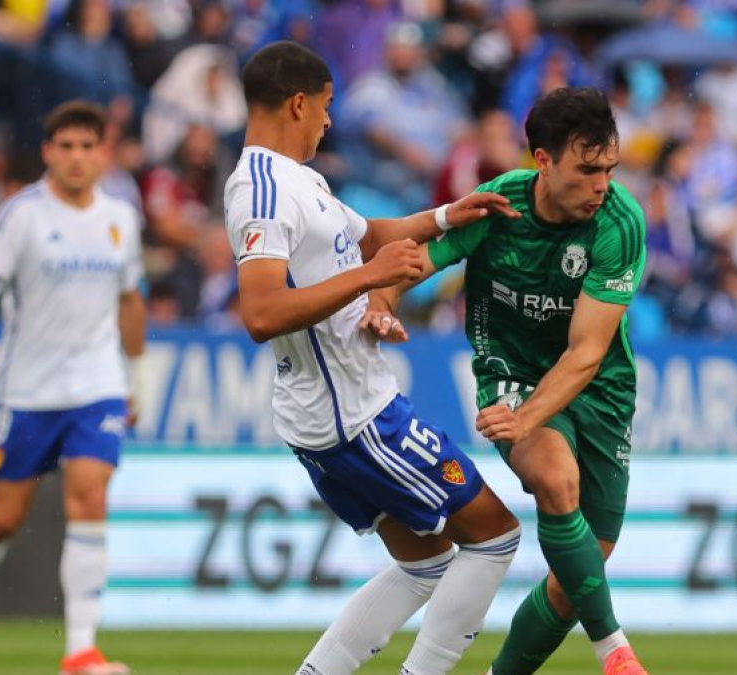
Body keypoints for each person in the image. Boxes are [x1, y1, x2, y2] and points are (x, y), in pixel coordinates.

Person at [224, 41, 522, 675]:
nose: (330, 121)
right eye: (327, 107)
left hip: (335, 411)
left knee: (426, 561)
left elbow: (370, 237)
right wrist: (368, 280)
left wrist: (445, 215)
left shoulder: (300, 178)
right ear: (299, 104)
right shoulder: (261, 192)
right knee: (496, 535)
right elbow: (261, 312)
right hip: (354, 417)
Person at [375, 86, 651, 675]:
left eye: (610, 169)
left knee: (580, 575)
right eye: (587, 169)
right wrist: (384, 299)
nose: (602, 185)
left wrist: (528, 417)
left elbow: (585, 353)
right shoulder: (498, 205)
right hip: (512, 375)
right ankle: (616, 653)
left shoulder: (620, 223)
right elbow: (421, 258)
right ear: (542, 160)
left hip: (600, 389)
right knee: (554, 479)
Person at [0, 101, 145, 675]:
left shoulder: (121, 217)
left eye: (86, 146)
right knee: (1, 519)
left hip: (96, 383)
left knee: (90, 496)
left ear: (102, 153)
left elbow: (130, 301)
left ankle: (79, 650)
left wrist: (135, 380)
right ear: (49, 153)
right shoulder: (21, 215)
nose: (76, 157)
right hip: (26, 388)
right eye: (65, 146)